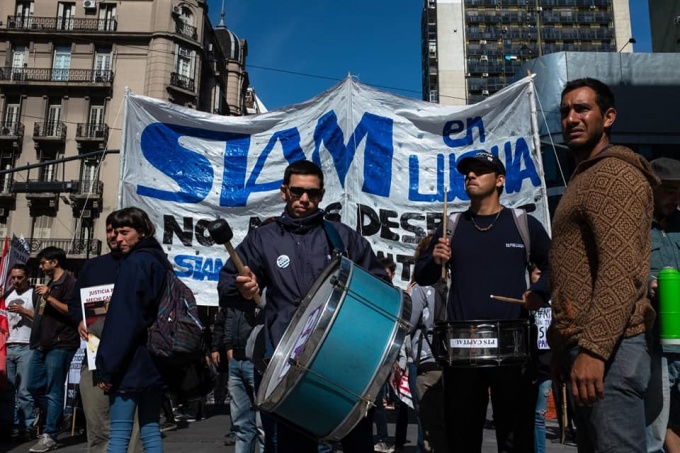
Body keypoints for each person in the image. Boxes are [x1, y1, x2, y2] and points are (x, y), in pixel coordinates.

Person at [218, 159, 390, 453]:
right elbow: (228, 284)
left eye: (312, 193)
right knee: (291, 444)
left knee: (355, 437)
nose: (305, 199)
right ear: (284, 192)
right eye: (297, 192)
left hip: (341, 355)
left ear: (322, 195)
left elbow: (378, 284)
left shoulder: (342, 236)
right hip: (285, 357)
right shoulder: (264, 239)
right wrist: (242, 289)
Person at [548, 78, 658, 453]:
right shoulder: (585, 177)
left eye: (582, 109)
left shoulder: (613, 174)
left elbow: (621, 271)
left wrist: (594, 350)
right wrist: (564, 347)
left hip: (611, 351)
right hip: (588, 350)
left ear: (608, 117)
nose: (571, 118)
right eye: (564, 112)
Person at [414, 151, 551, 452]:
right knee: (462, 436)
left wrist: (539, 292)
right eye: (468, 172)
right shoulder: (452, 225)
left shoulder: (523, 224)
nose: (471, 176)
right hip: (463, 350)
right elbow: (422, 276)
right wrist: (433, 259)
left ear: (500, 180)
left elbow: (555, 265)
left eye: (480, 171)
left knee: (516, 438)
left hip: (513, 351)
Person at [67, 211, 143, 453]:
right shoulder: (94, 266)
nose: (113, 236)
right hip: (94, 357)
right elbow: (74, 302)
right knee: (98, 426)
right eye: (110, 230)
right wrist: (80, 319)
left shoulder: (144, 264)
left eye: (120, 231)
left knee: (134, 429)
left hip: (134, 360)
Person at [96, 207, 169, 453]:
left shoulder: (135, 263)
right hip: (155, 359)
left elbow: (124, 321)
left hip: (130, 362)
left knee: (118, 434)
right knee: (150, 431)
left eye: (124, 232)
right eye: (115, 233)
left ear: (143, 231)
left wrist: (108, 369)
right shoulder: (159, 261)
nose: (118, 238)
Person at [27, 246, 79, 453]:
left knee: (54, 389)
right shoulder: (50, 283)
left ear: (54, 262)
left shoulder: (70, 282)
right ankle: (57, 419)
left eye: (43, 262)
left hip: (61, 343)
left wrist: (49, 297)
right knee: (32, 385)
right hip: (43, 343)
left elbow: (72, 311)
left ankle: (50, 434)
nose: (40, 266)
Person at [646, 157, 680, 453]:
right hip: (656, 343)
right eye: (668, 190)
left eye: (679, 191)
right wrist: (649, 284)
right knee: (654, 427)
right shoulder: (636, 229)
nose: (675, 198)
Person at [408, 235, 447, 453]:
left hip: (429, 362)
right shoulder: (455, 283)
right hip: (454, 363)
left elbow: (409, 323)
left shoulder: (422, 287)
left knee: (430, 429)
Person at [0, 264, 36, 442]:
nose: (15, 281)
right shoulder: (6, 296)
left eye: (19, 277)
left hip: (26, 346)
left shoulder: (34, 294)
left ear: (27, 277)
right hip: (8, 346)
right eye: (13, 277)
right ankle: (7, 425)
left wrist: (24, 311)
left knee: (24, 391)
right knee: (6, 390)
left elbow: (43, 319)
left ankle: (26, 426)